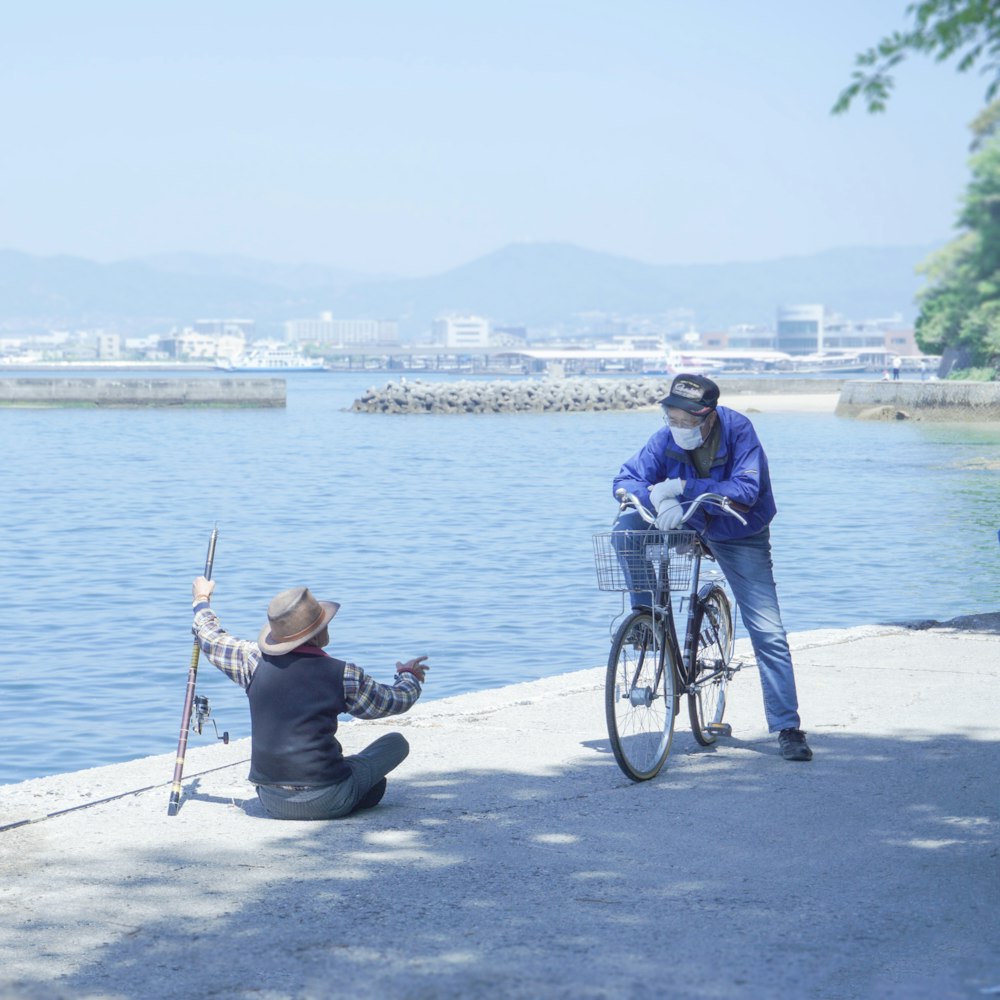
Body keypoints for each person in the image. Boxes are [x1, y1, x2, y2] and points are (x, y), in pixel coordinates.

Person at [611, 373, 812, 762]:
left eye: (688, 420)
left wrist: (682, 488)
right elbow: (627, 477)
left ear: (709, 417)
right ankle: (647, 619)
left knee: (767, 630)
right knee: (624, 532)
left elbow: (747, 491)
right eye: (672, 417)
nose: (679, 427)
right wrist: (653, 500)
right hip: (684, 519)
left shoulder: (739, 432)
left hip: (737, 529)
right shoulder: (665, 437)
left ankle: (788, 727)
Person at [191, 577, 430, 819]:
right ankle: (350, 792)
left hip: (271, 800)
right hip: (328, 797)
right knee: (395, 743)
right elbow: (395, 701)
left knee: (365, 778)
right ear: (317, 633)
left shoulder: (252, 661)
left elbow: (211, 638)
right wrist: (408, 676)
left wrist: (202, 599)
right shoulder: (344, 674)